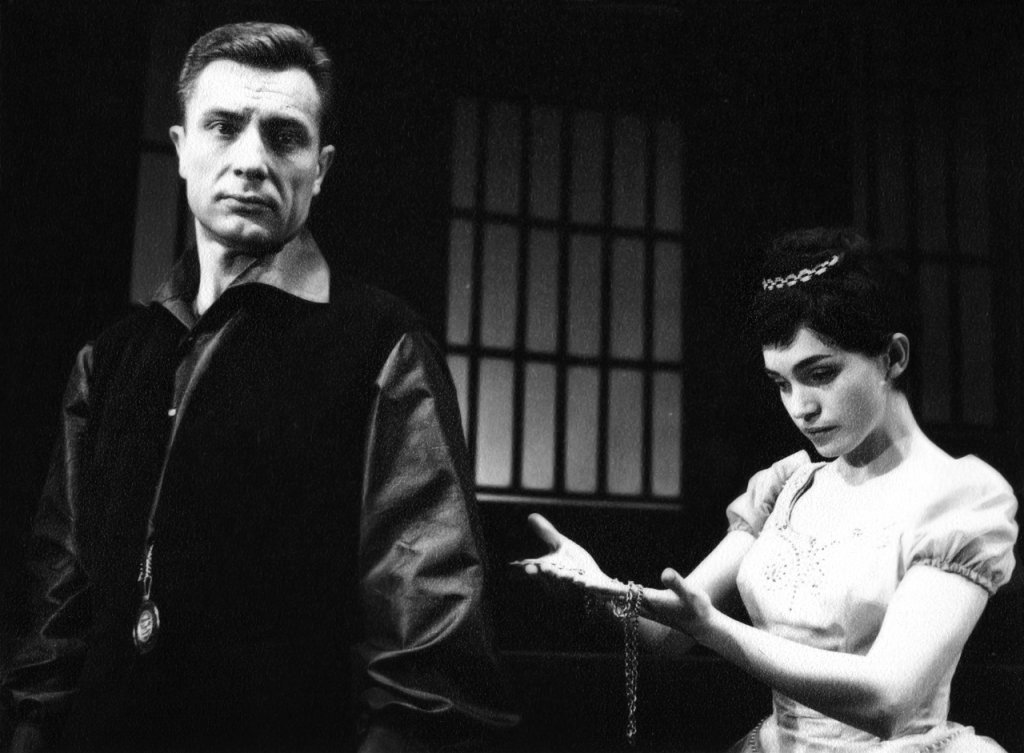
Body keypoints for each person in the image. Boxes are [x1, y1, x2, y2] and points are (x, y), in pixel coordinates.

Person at [1, 21, 516, 753]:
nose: (251, 160)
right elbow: (58, 614)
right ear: (182, 148)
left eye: (284, 136)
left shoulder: (382, 345)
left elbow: (427, 650)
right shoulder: (108, 359)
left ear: (321, 167)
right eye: (223, 126)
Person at [514, 228, 1018, 751]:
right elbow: (666, 635)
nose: (801, 407)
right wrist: (598, 588)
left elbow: (887, 700)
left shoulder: (959, 497)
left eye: (820, 373)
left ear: (892, 356)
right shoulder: (787, 488)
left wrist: (712, 629)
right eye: (781, 383)